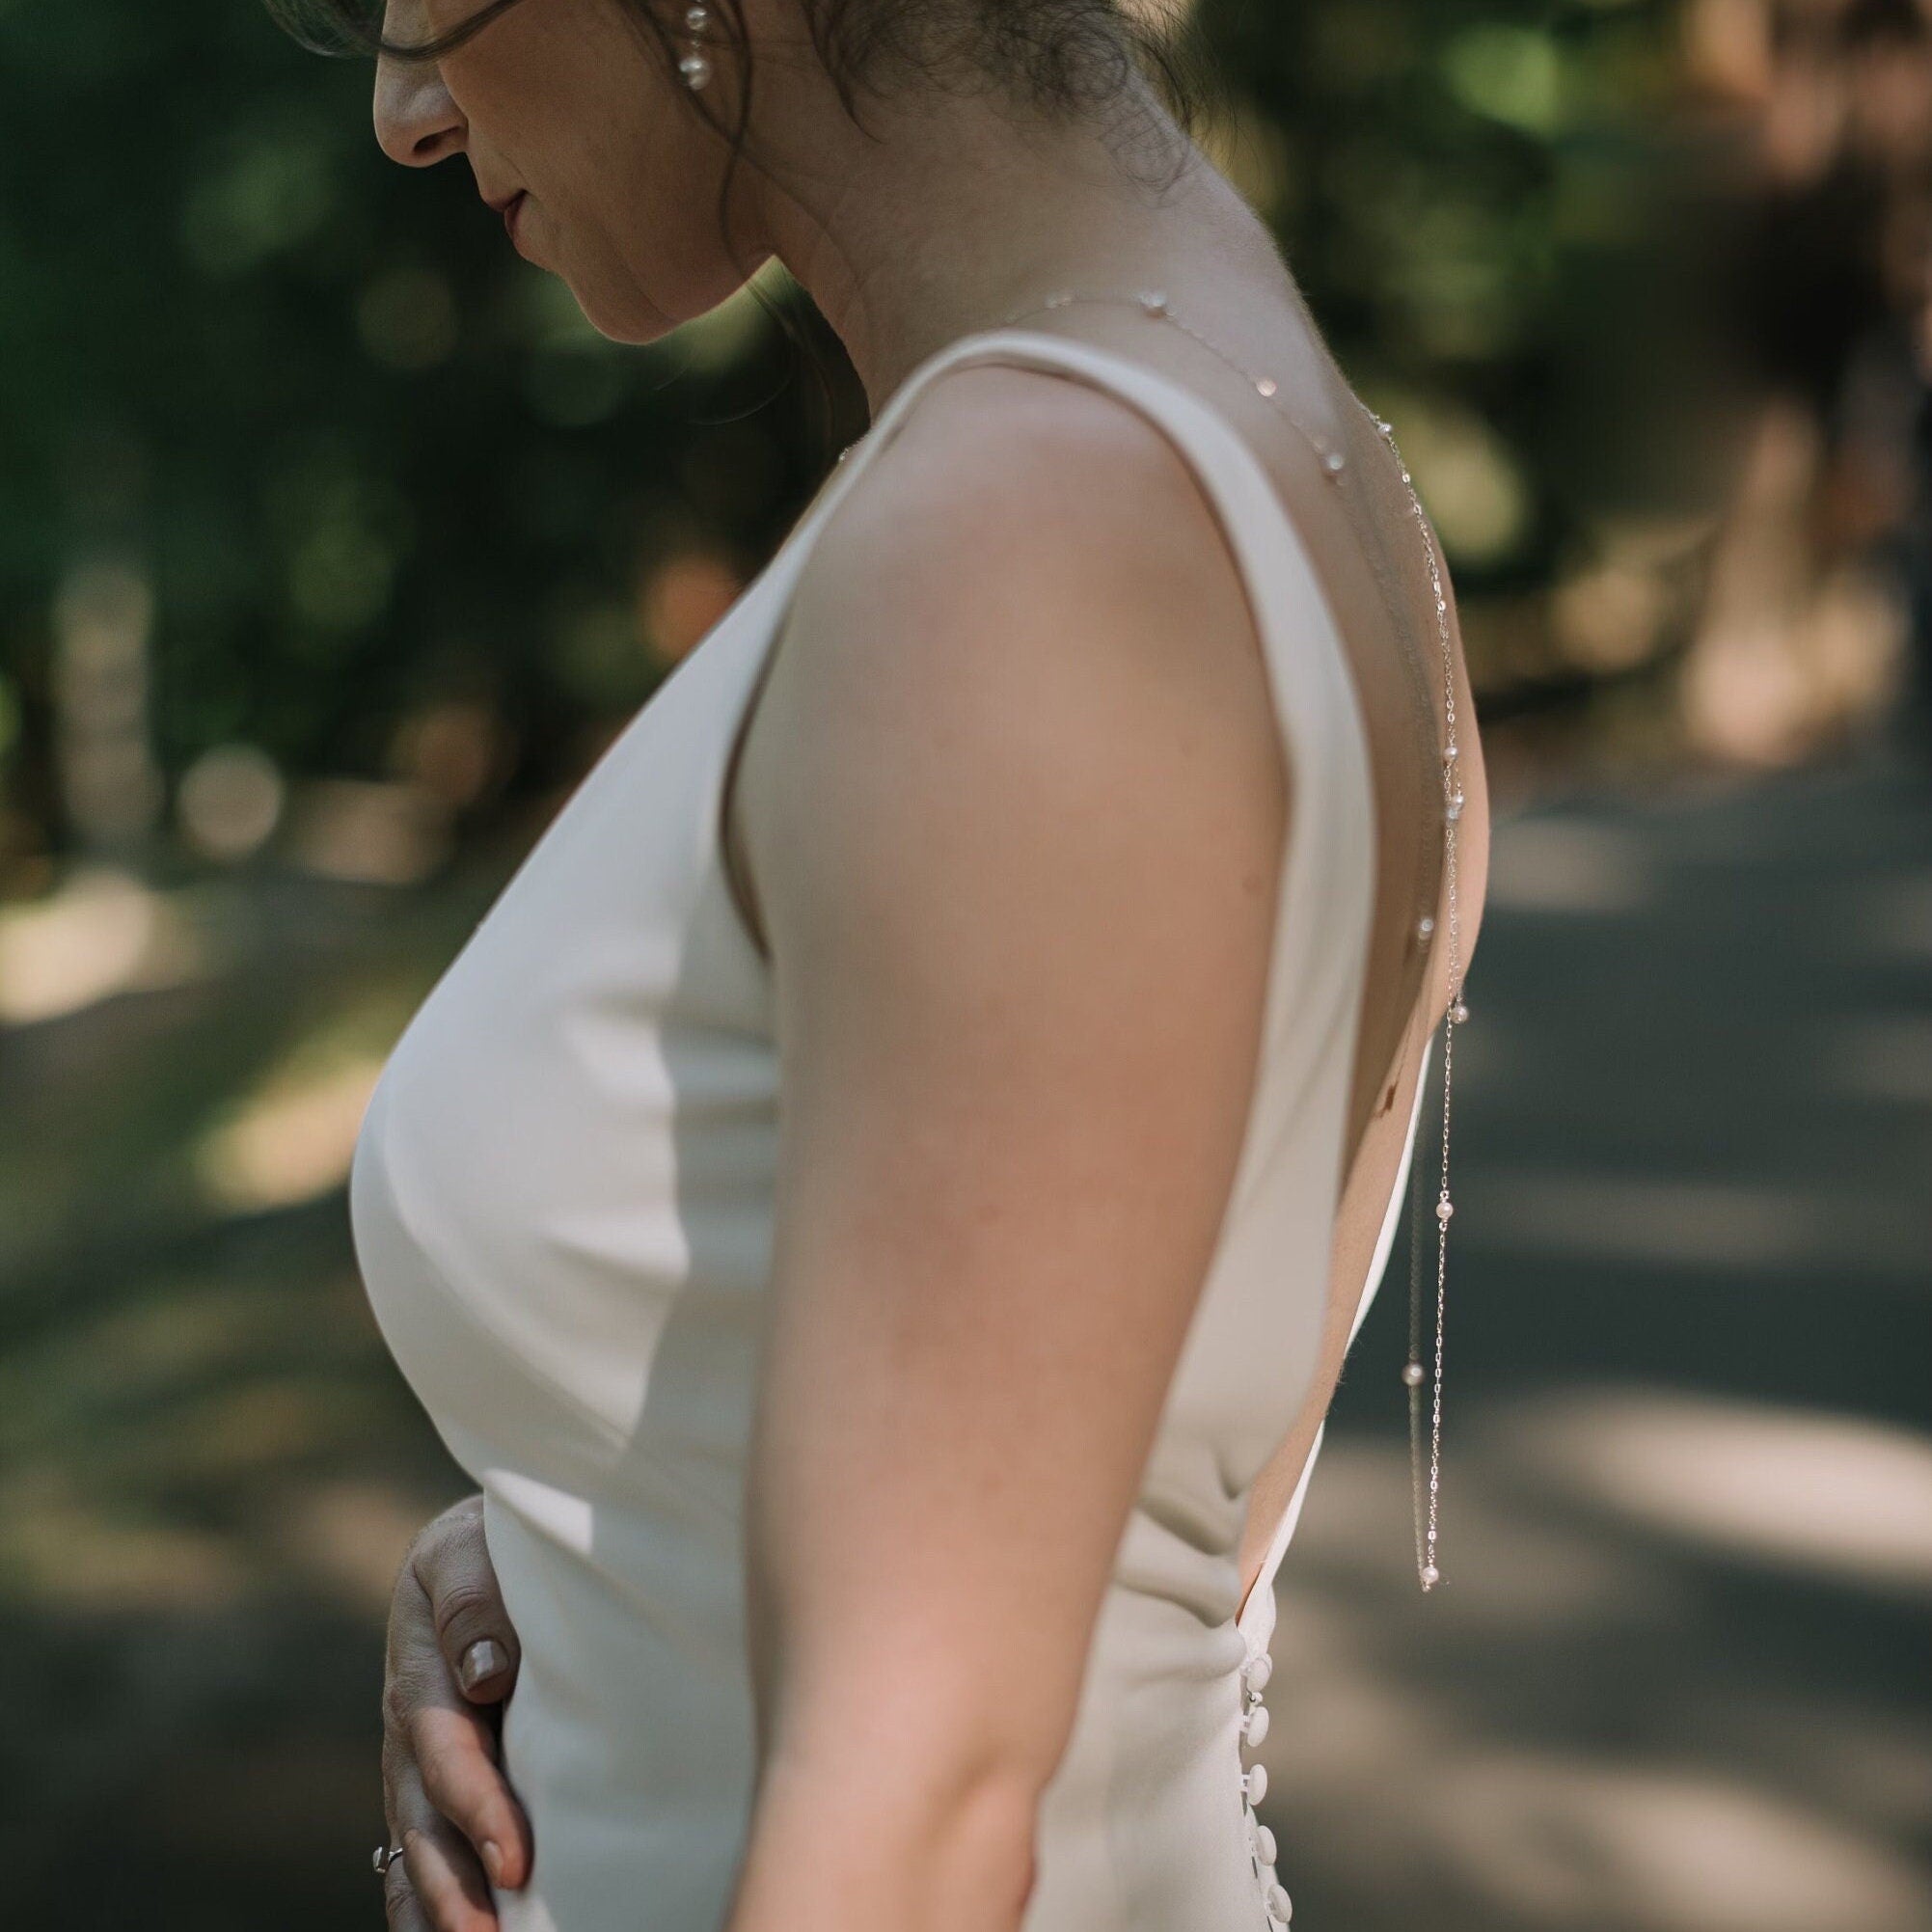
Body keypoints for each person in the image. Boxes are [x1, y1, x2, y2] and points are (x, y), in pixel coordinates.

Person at [274, 1, 1491, 1927]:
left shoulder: (1025, 543)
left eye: (414, 1)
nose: (401, 111)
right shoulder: (1245, 436)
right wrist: (605, 1552)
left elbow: (920, 1815)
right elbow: (1120, 1498)